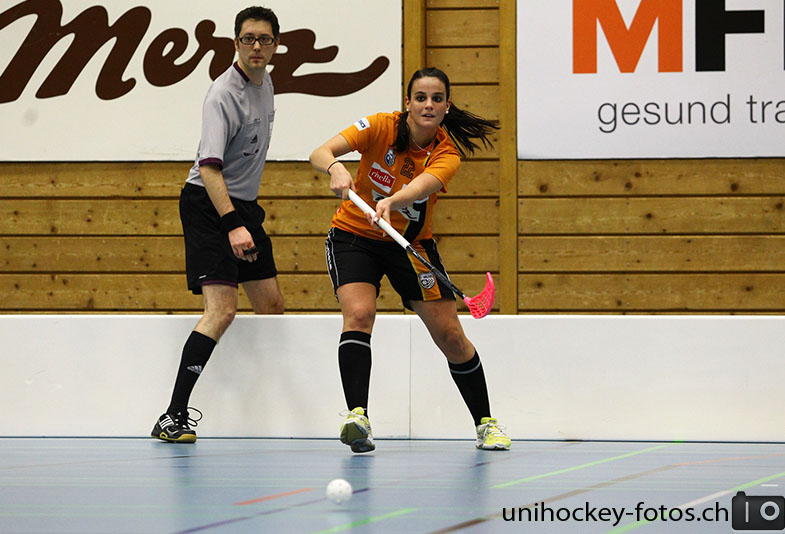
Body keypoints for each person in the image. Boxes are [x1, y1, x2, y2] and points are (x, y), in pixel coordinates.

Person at [309, 67, 511, 453]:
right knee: (359, 314)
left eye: (437, 99)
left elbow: (421, 186)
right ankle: (357, 417)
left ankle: (485, 423)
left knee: (451, 336)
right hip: (354, 237)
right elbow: (320, 152)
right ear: (408, 103)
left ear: (447, 106)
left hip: (410, 245)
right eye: (420, 98)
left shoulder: (447, 154)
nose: (428, 105)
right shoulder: (379, 126)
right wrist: (335, 168)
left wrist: (392, 201)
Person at [151, 6, 284, 443]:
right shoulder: (222, 94)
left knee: (271, 305)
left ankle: (270, 414)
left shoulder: (266, 85)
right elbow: (209, 169)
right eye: (248, 38)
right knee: (222, 311)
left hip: (242, 207)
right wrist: (231, 224)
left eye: (264, 39)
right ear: (235, 43)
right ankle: (172, 415)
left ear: (275, 44)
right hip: (210, 207)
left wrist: (241, 218)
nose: (256, 46)